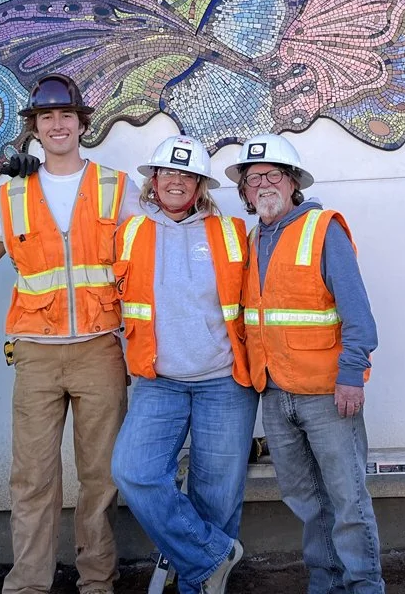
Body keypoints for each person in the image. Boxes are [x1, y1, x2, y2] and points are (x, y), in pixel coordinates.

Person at [0, 74, 139, 594]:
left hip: (100, 349)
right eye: (46, 117)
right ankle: (29, 584)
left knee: (101, 477)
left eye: (66, 115)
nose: (57, 125)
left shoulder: (117, 186)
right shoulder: (11, 193)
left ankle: (97, 580)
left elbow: (147, 256)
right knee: (32, 477)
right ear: (34, 127)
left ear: (81, 123)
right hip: (36, 353)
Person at [225, 134, 385, 594]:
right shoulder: (252, 239)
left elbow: (358, 314)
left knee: (348, 501)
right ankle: (326, 585)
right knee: (307, 502)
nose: (263, 184)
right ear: (244, 192)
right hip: (275, 394)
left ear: (293, 181)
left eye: (273, 174)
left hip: (328, 394)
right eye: (252, 178)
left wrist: (351, 376)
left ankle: (365, 587)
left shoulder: (323, 229)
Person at [110, 135, 257, 594]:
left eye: (187, 175)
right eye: (168, 173)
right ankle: (214, 555)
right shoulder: (130, 232)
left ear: (200, 185)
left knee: (216, 500)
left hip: (224, 382)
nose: (176, 182)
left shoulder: (232, 232)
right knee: (133, 471)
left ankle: (203, 581)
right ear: (153, 180)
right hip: (160, 381)